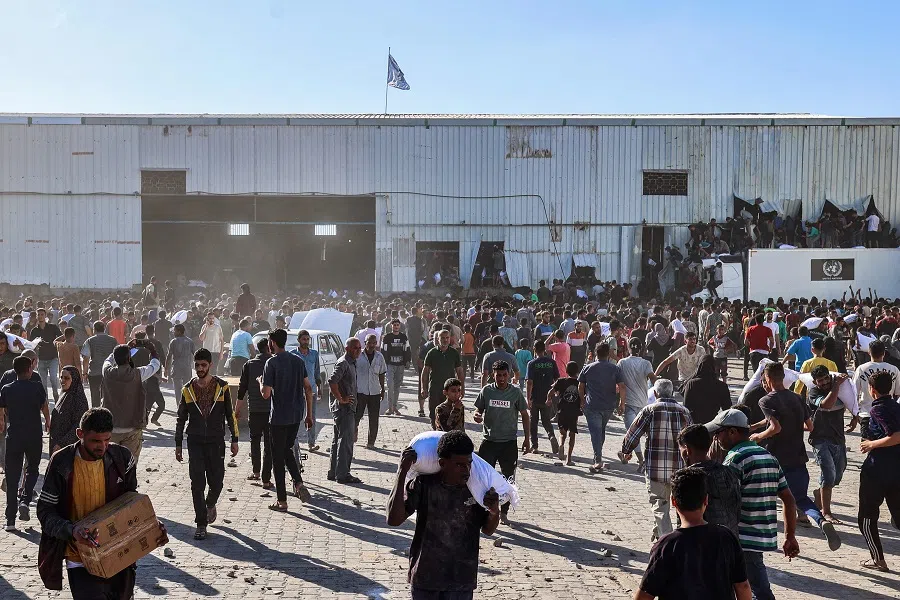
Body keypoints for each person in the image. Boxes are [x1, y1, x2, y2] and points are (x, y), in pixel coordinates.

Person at [37, 407, 169, 598]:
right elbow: (45, 512)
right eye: (96, 441)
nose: (103, 446)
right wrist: (72, 531)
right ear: (80, 434)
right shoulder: (62, 463)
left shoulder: (122, 459)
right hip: (80, 558)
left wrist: (152, 528)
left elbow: (131, 505)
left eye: (107, 440)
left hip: (120, 556)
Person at [386, 430, 500, 600]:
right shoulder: (424, 485)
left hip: (461, 580)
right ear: (442, 463)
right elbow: (394, 520)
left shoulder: (475, 489)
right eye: (459, 465)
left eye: (469, 463)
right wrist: (402, 472)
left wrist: (494, 511)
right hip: (426, 578)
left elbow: (488, 530)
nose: (466, 470)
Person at [708, 409, 800, 600]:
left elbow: (726, 501)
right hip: (759, 536)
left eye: (719, 433)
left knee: (759, 591)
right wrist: (790, 536)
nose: (716, 438)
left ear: (732, 432)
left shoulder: (735, 459)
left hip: (743, 537)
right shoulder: (768, 456)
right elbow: (789, 499)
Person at [751, 362, 841, 549]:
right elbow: (810, 426)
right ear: (782, 377)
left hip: (776, 459)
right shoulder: (797, 398)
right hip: (798, 456)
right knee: (800, 498)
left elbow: (776, 427)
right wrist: (760, 425)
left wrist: (758, 436)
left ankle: (775, 535)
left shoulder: (766, 400)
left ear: (767, 379)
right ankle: (821, 520)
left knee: (769, 495)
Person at [634, 467, 751, 600]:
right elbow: (743, 586)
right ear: (706, 500)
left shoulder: (666, 545)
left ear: (673, 501)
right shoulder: (726, 537)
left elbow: (643, 596)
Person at [174, 348, 239, 540]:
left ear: (210, 365)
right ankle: (201, 524)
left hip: (216, 442)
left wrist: (234, 439)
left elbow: (230, 415)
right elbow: (180, 419)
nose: (200, 368)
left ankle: (210, 503)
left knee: (217, 482)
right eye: (197, 365)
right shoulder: (187, 389)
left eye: (203, 365)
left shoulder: (222, 387)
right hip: (194, 442)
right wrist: (178, 444)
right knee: (197, 484)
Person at [621, 379, 693, 541]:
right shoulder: (684, 411)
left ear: (655, 393)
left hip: (655, 469)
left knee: (660, 505)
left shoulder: (650, 410)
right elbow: (692, 438)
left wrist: (626, 450)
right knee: (678, 506)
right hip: (679, 469)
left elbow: (633, 433)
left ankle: (667, 542)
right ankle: (664, 532)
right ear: (672, 392)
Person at [261, 328, 314, 507]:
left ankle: (282, 500)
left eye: (269, 341)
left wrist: (261, 382)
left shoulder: (271, 363)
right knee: (287, 450)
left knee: (278, 456)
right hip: (296, 415)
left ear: (273, 343)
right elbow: (308, 388)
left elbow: (266, 394)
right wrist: (309, 414)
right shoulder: (298, 361)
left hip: (278, 417)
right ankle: (298, 483)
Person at [474, 360, 530, 525]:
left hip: (508, 443)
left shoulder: (515, 393)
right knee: (483, 477)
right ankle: (482, 510)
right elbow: (479, 409)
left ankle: (503, 513)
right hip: (489, 442)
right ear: (493, 375)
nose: (501, 378)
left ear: (510, 375)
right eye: (498, 375)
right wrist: (477, 415)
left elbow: (525, 415)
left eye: (504, 375)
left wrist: (527, 439)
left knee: (508, 479)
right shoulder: (487, 391)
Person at [857, 371, 900, 572]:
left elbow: (897, 435)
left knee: (866, 517)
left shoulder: (879, 410)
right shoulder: (897, 407)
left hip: (877, 470)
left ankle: (878, 559)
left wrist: (872, 444)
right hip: (896, 469)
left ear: (872, 390)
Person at [2, 355, 49, 530]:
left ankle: (10, 521)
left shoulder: (7, 388)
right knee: (32, 470)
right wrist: (48, 422)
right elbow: (43, 406)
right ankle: (26, 499)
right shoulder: (37, 387)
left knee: (12, 476)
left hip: (14, 436)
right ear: (30, 369)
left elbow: (4, 410)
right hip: (33, 436)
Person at [806, 366, 856, 525]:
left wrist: (855, 416)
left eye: (827, 378)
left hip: (838, 439)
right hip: (820, 439)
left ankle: (820, 493)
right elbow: (827, 405)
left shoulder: (839, 390)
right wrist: (836, 385)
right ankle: (826, 512)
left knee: (837, 475)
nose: (825, 382)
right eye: (820, 381)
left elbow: (852, 401)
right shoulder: (814, 393)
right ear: (815, 382)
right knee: (828, 475)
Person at [677, 424, 741, 535]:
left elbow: (685, 524)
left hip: (703, 545)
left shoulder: (686, 479)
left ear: (687, 450)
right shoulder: (728, 472)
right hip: (730, 541)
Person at [101, 341, 160, 462]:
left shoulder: (107, 372)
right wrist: (153, 351)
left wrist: (123, 348)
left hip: (111, 428)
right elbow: (155, 365)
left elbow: (107, 361)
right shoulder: (138, 374)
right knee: (130, 466)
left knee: (110, 465)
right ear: (129, 358)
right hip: (132, 428)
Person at [578, 343, 625, 473]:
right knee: (600, 430)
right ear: (608, 354)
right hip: (609, 406)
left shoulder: (587, 368)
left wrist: (582, 401)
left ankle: (597, 459)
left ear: (595, 353)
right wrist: (622, 404)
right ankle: (597, 454)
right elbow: (622, 386)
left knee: (596, 432)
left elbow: (580, 386)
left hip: (592, 405)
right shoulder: (614, 369)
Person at [616, 338, 657, 471]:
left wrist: (620, 403)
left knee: (633, 433)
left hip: (628, 402)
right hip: (643, 403)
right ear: (641, 349)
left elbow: (619, 384)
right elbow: (652, 377)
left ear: (628, 348)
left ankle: (641, 461)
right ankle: (625, 454)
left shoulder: (622, 362)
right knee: (635, 432)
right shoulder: (646, 363)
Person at [238, 338, 273, 488]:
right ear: (268, 348)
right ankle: (266, 479)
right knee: (269, 445)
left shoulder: (249, 364)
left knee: (255, 441)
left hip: (254, 409)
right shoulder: (273, 363)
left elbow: (242, 388)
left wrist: (237, 408)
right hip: (271, 411)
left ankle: (256, 472)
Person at [328, 337, 363, 483]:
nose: (358, 351)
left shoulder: (352, 363)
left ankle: (335, 472)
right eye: (355, 348)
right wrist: (341, 399)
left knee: (338, 441)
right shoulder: (344, 363)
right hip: (344, 408)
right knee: (345, 442)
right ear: (347, 348)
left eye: (359, 348)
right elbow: (332, 381)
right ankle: (343, 474)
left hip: (345, 408)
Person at [852, 340, 900, 439]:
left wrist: (854, 415)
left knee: (868, 445)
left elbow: (854, 393)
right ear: (884, 353)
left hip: (866, 414)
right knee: (887, 445)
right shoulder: (894, 369)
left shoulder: (861, 369)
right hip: (887, 413)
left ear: (869, 352)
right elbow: (898, 393)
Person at [525, 340, 560, 456]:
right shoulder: (552, 362)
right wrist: (554, 394)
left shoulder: (532, 363)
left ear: (534, 349)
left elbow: (529, 382)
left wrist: (528, 398)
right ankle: (551, 436)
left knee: (533, 422)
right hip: (547, 397)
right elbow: (557, 380)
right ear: (544, 350)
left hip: (535, 397)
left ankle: (534, 446)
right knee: (546, 421)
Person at [421, 330, 464, 423]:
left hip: (450, 389)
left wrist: (462, 388)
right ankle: (435, 430)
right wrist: (423, 388)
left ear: (450, 339)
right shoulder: (431, 353)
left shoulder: (454, 353)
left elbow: (459, 371)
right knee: (434, 412)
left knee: (450, 412)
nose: (445, 340)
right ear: (438, 339)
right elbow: (425, 371)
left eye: (447, 338)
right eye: (443, 338)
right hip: (435, 388)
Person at [354, 333, 387, 449]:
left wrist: (383, 389)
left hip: (374, 392)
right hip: (360, 391)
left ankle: (371, 442)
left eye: (374, 343)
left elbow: (382, 374)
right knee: (356, 416)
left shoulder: (379, 357)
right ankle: (354, 432)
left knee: (374, 418)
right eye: (370, 343)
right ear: (365, 343)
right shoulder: (358, 355)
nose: (372, 345)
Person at [291, 330, 322, 451]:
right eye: (304, 339)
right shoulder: (293, 354)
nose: (306, 341)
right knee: (296, 416)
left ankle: (311, 443)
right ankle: (294, 441)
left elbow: (317, 372)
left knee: (312, 416)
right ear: (299, 340)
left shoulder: (314, 354)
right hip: (297, 391)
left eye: (308, 339)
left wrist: (319, 388)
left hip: (312, 390)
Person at [49, 366, 90, 453]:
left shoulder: (79, 399)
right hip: (57, 445)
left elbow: (78, 425)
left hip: (69, 448)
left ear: (74, 380)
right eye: (61, 377)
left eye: (66, 378)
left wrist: (62, 443)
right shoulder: (64, 394)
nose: (62, 381)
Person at [681, 355, 731, 425]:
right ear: (714, 367)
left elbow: (686, 407)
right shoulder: (722, 386)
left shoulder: (692, 383)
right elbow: (727, 409)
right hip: (713, 423)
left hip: (694, 424)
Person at [549, 361, 581, 465]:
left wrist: (548, 399)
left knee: (562, 433)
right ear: (577, 371)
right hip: (574, 412)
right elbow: (583, 395)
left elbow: (551, 392)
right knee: (572, 434)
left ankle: (561, 444)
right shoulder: (579, 383)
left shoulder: (561, 381)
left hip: (562, 411)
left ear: (566, 371)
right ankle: (569, 459)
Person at [81, 321, 118, 407]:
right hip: (109, 372)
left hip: (94, 373)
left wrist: (84, 373)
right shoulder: (113, 340)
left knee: (95, 397)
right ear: (104, 329)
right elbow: (117, 356)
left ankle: (96, 416)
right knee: (109, 397)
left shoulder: (90, 341)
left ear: (94, 329)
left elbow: (86, 358)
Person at [30, 308, 63, 403]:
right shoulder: (34, 330)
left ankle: (56, 395)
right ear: (37, 316)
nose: (40, 316)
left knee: (53, 379)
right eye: (38, 314)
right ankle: (45, 402)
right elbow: (31, 344)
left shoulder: (52, 327)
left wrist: (55, 342)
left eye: (42, 314)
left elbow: (62, 336)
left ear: (45, 316)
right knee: (43, 383)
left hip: (53, 357)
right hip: (41, 359)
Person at [381, 319, 411, 416]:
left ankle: (395, 407)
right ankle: (390, 408)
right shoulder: (387, 337)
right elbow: (383, 350)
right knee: (390, 386)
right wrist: (384, 363)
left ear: (400, 326)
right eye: (394, 325)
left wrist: (407, 360)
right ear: (391, 326)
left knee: (397, 387)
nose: (396, 327)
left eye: (398, 325)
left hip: (400, 365)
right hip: (390, 365)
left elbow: (407, 349)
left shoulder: (403, 337)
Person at [167, 323, 196, 396]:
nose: (173, 332)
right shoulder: (190, 341)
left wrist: (166, 369)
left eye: (175, 331)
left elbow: (169, 356)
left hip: (177, 368)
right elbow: (195, 355)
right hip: (187, 368)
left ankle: (179, 405)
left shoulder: (173, 341)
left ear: (179, 331)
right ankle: (186, 405)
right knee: (187, 389)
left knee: (178, 390)